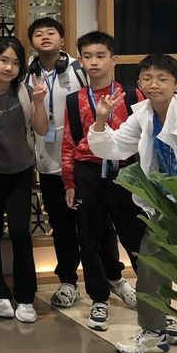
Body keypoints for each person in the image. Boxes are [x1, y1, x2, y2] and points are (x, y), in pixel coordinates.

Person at [87, 53, 177, 353]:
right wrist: (102, 118)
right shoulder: (143, 114)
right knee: (150, 267)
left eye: (162, 78)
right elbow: (114, 147)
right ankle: (153, 332)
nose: (153, 84)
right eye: (147, 78)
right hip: (165, 207)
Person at [26, 18, 124, 310]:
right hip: (48, 161)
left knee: (101, 224)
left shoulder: (80, 69)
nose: (45, 37)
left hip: (87, 162)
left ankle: (113, 277)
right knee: (61, 225)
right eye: (38, 34)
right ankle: (68, 280)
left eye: (51, 32)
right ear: (31, 42)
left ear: (63, 39)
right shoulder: (27, 74)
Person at [61, 31, 142, 333]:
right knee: (89, 237)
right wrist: (69, 181)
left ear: (113, 59)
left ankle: (154, 301)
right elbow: (69, 143)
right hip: (89, 173)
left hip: (126, 172)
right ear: (80, 60)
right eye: (87, 56)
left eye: (100, 56)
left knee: (136, 237)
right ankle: (99, 299)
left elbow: (145, 136)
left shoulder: (132, 95)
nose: (94, 62)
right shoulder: (75, 100)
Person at [0, 36, 48, 323]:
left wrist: (39, 102)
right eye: (4, 60)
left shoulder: (25, 92)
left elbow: (41, 129)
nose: (9, 67)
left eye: (15, 63)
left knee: (19, 231)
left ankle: (26, 296)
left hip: (21, 172)